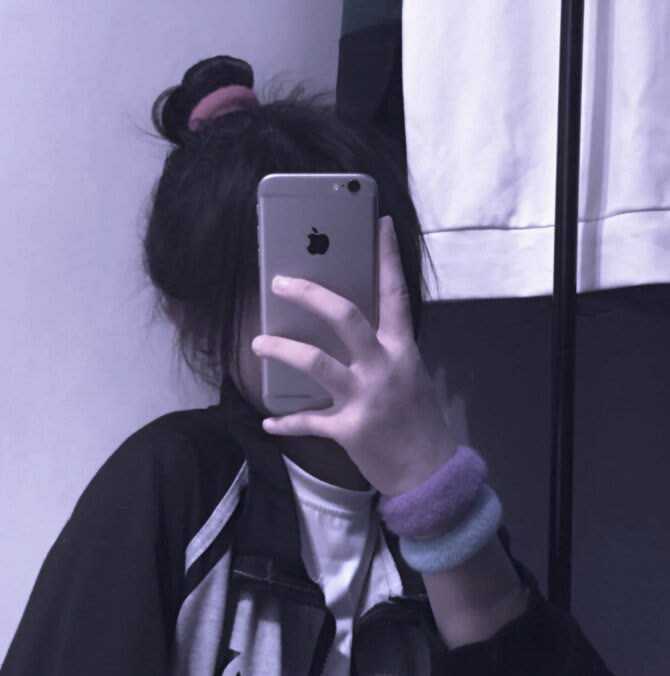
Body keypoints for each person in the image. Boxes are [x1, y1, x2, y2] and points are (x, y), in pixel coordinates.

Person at [0, 55, 614, 675]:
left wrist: (432, 491)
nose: (328, 301)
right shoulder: (170, 482)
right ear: (197, 324)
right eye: (284, 271)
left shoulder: (447, 503)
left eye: (345, 260)